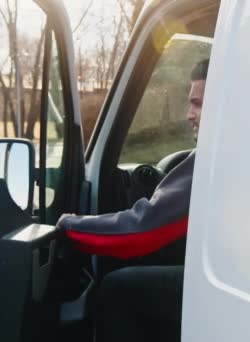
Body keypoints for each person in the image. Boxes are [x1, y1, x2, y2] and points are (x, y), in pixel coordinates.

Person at [56, 58, 210, 342]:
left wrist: (69, 226)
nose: (189, 114)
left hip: (233, 288)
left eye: (198, 103)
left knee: (118, 287)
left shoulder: (213, 156)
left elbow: (144, 230)